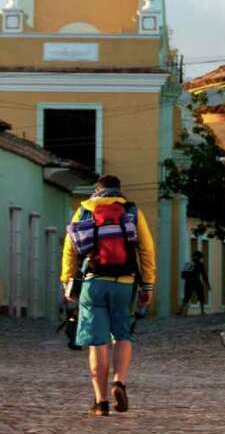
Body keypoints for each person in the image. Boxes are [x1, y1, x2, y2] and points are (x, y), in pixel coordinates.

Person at [61, 173, 155, 416]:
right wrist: (148, 285)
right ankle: (119, 382)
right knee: (122, 335)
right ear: (118, 190)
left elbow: (70, 249)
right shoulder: (131, 211)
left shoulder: (84, 211)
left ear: (97, 190)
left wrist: (66, 281)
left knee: (98, 343)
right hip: (125, 283)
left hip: (93, 283)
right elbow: (146, 249)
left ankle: (101, 402)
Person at [179, 242, 210, 315]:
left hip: (188, 282)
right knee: (201, 296)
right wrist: (207, 285)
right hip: (196, 282)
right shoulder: (200, 264)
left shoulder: (189, 263)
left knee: (186, 297)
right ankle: (202, 311)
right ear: (200, 257)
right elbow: (204, 275)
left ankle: (181, 310)